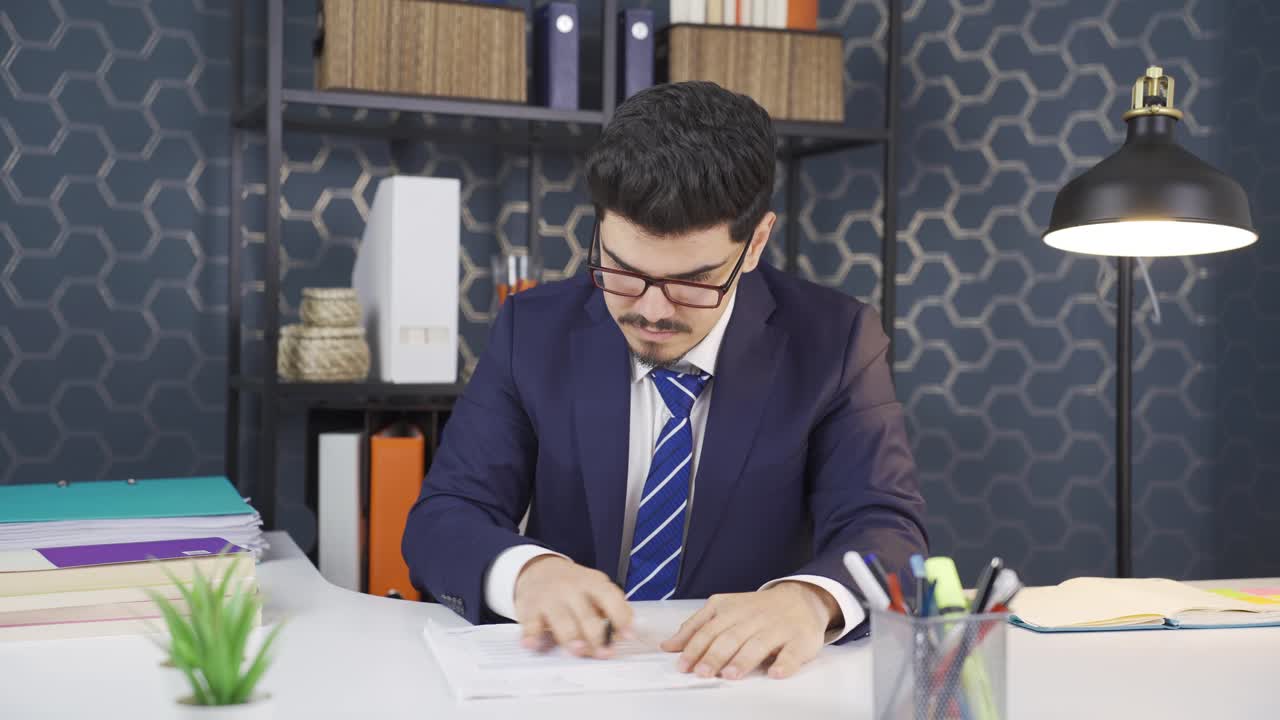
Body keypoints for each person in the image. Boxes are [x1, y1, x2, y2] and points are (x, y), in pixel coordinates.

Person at [402, 80, 927, 681]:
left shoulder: (837, 341)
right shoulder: (533, 330)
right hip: (570, 680)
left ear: (755, 242)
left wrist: (809, 602)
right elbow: (445, 515)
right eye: (623, 270)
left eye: (692, 282)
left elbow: (886, 526)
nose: (652, 310)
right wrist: (526, 573)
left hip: (744, 688)